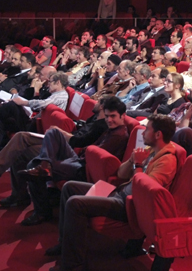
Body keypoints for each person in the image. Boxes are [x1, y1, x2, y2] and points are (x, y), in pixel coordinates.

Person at [45, 114, 178, 271]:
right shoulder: (150, 150)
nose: (143, 134)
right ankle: (64, 243)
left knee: (75, 203)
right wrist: (131, 161)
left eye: (147, 130)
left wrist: (137, 165)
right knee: (69, 187)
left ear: (158, 135)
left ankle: (73, 263)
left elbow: (144, 192)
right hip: (118, 191)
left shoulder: (167, 162)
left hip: (128, 206)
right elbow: (121, 174)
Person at [18, 96, 129, 226]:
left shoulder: (118, 135)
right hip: (80, 159)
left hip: (85, 168)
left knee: (33, 164)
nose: (109, 120)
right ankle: (45, 164)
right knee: (53, 132)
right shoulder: (111, 129)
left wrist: (85, 150)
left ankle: (42, 212)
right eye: (107, 116)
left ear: (123, 116)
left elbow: (94, 154)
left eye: (113, 116)